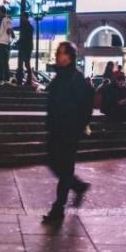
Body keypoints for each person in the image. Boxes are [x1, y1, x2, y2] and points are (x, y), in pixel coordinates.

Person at [41, 41, 95, 223]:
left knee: (64, 170)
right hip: (56, 129)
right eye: (57, 52)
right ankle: (78, 186)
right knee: (53, 162)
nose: (57, 55)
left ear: (70, 57)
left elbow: (86, 105)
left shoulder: (75, 78)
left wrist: (77, 127)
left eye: (61, 53)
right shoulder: (60, 76)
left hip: (68, 131)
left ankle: (58, 209)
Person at [0, 7, 14, 85]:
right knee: (2, 61)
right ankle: (3, 78)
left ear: (1, 12)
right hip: (1, 42)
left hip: (2, 43)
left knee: (1, 61)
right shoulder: (2, 19)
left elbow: (9, 29)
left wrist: (9, 34)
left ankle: (2, 79)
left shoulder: (6, 19)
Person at [16, 13, 34, 86]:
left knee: (24, 64)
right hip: (26, 47)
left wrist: (19, 42)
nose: (21, 18)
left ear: (25, 17)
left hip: (25, 47)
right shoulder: (27, 27)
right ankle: (26, 80)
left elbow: (25, 37)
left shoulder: (27, 27)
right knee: (25, 64)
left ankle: (22, 80)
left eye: (22, 17)